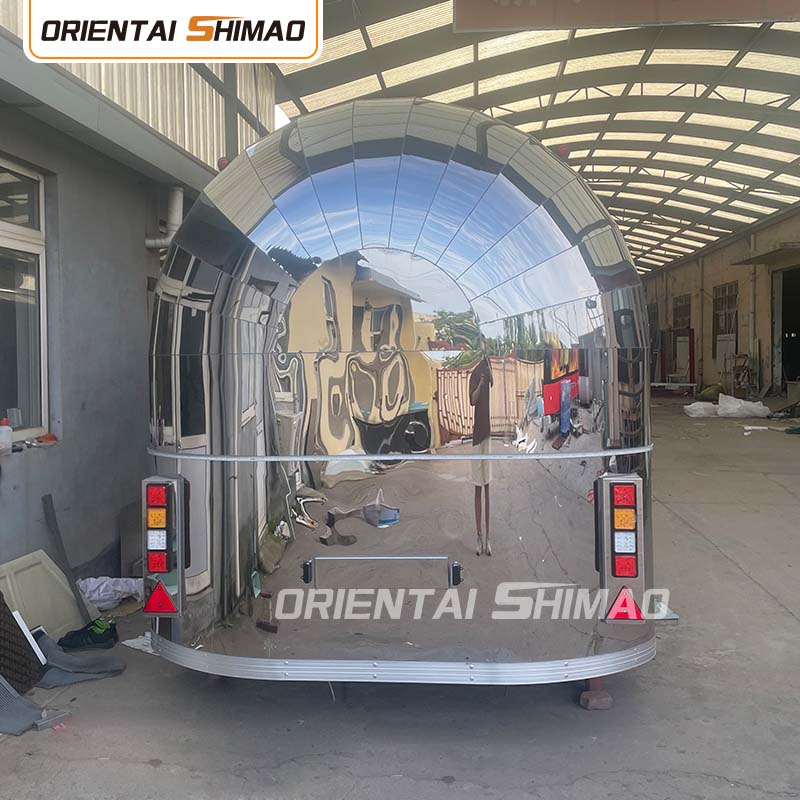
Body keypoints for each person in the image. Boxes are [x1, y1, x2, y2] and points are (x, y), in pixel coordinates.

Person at [469, 353, 493, 556]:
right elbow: (472, 400)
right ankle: (478, 536)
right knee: (478, 487)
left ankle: (488, 538)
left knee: (488, 487)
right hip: (477, 438)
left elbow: (493, 382)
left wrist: (489, 371)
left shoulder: (488, 369)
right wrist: (480, 383)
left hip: (488, 436)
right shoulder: (475, 374)